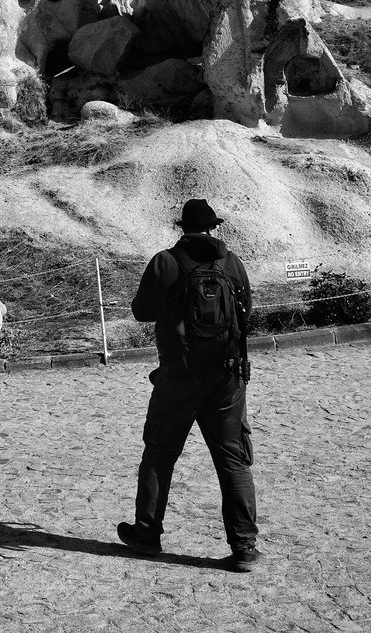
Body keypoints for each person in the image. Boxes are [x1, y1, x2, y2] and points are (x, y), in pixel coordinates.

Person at [117, 197, 260, 572]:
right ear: (214, 227)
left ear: (182, 228)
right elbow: (248, 313)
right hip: (228, 377)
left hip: (179, 377)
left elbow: (141, 312)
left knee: (160, 454)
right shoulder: (232, 263)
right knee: (233, 461)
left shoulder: (166, 261)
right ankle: (244, 546)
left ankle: (147, 533)